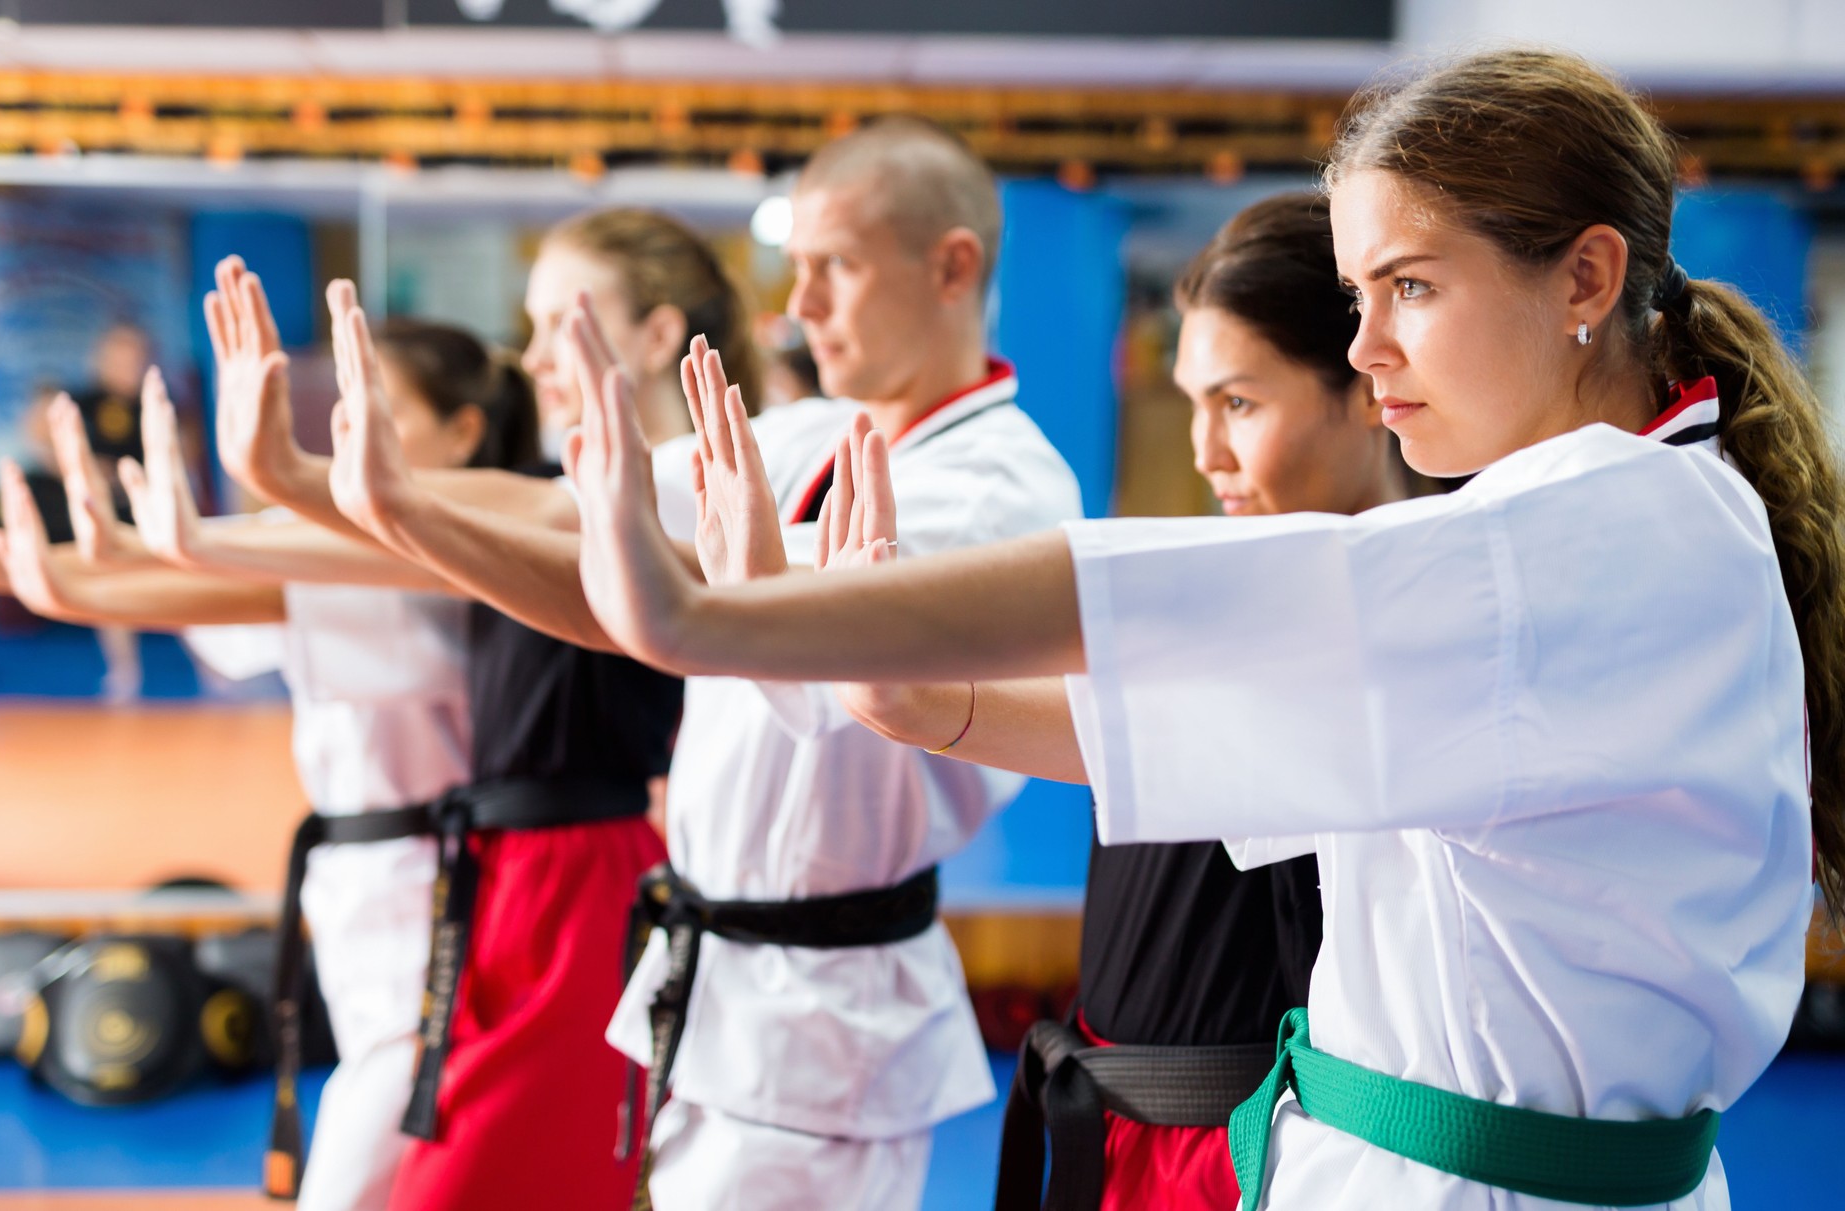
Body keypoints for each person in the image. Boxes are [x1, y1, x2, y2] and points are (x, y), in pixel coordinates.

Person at [560, 48, 1838, 1210]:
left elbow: (1180, 603)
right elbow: (1219, 709)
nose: (1369, 347)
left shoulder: (1596, 526)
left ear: (1586, 277)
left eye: (1411, 285)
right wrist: (915, 697)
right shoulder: (1599, 515)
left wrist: (740, 616)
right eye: (1358, 294)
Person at [321, 119, 1084, 1209]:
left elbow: (725, 627)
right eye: (797, 268)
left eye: (836, 267)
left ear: (952, 267)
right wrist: (335, 489)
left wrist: (404, 511)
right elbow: (565, 515)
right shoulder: (810, 432)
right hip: (716, 990)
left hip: (821, 1025)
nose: (801, 303)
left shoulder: (996, 487)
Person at [799, 192, 1409, 1211]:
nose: (1205, 450)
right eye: (1193, 402)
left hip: (1250, 1152)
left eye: (1240, 404)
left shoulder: (1392, 615)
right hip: (1125, 1136)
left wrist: (901, 680)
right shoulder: (1224, 584)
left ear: (1366, 390)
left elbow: (1079, 711)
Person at [196, 209, 749, 1210]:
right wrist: (186, 539)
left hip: (587, 870)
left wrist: (277, 488)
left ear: (660, 333)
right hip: (508, 869)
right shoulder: (559, 486)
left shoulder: (687, 487)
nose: (531, 358)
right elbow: (418, 535)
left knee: (471, 1175)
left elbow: (495, 518)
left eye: (557, 324)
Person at [0, 314, 541, 1211]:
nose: (351, 429)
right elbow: (231, 582)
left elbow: (252, 583)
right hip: (360, 885)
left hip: (439, 894)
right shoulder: (343, 539)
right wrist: (58, 570)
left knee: (371, 1152)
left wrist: (66, 578)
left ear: (463, 431)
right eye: (346, 407)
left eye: (383, 410)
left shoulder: (453, 559)